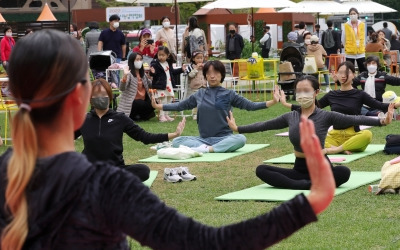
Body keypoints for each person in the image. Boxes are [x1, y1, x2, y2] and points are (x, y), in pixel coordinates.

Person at [0, 29, 338, 250]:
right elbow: (208, 243)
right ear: (79, 100)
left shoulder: (7, 169)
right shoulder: (103, 185)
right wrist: (313, 199)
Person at [227, 75, 394, 190]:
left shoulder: (326, 116)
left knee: (344, 172)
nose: (302, 94)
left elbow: (355, 119)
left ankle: (306, 184)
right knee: (261, 170)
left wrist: (381, 121)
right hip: (299, 170)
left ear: (315, 92)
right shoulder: (290, 116)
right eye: (299, 91)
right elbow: (264, 125)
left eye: (306, 91)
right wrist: (238, 129)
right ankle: (306, 185)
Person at [152, 60, 280, 153]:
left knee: (241, 138)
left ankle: (209, 150)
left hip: (225, 138)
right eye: (209, 73)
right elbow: (180, 105)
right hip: (203, 140)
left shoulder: (229, 94)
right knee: (177, 141)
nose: (212, 76)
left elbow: (250, 106)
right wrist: (159, 106)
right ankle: (208, 148)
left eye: (216, 73)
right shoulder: (200, 94)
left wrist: (272, 102)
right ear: (206, 76)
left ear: (222, 75)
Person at [76, 78, 184, 181]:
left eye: (104, 94)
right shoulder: (83, 119)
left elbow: (145, 137)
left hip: (115, 169)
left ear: (110, 97)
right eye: (97, 95)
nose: (101, 97)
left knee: (143, 171)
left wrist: (174, 134)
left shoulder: (120, 118)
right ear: (90, 98)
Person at [283, 61, 397, 155]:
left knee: (367, 135)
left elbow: (380, 105)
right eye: (340, 72)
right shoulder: (331, 95)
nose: (343, 75)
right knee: (314, 138)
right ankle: (342, 148)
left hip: (353, 135)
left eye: (346, 72)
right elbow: (311, 107)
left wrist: (394, 106)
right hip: (334, 136)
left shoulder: (359, 94)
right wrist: (286, 104)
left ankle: (337, 149)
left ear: (353, 74)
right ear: (336, 75)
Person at [150, 46, 185, 122]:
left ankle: (166, 115)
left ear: (167, 55)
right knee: (162, 101)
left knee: (168, 100)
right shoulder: (155, 63)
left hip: (168, 85)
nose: (161, 57)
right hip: (160, 86)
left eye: (163, 55)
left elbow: (172, 72)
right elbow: (154, 73)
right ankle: (161, 116)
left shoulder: (168, 63)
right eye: (159, 55)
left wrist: (181, 70)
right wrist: (152, 72)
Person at [117, 52, 155, 121]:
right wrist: (125, 76)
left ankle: (140, 116)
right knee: (139, 103)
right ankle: (136, 116)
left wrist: (152, 75)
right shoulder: (129, 74)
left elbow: (151, 85)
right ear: (132, 61)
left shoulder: (143, 74)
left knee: (155, 101)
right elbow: (122, 88)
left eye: (141, 59)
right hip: (132, 102)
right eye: (137, 59)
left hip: (143, 100)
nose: (139, 61)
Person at [342, 7, 366, 73]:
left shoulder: (362, 24)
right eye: (351, 14)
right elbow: (343, 38)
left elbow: (364, 37)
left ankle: (363, 82)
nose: (353, 15)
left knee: (363, 69)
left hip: (360, 51)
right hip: (350, 52)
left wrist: (363, 46)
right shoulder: (346, 25)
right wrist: (347, 46)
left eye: (354, 13)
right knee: (349, 70)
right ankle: (351, 82)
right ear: (349, 15)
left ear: (357, 14)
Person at [185, 50, 207, 120]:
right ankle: (195, 114)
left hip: (203, 86)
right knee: (196, 101)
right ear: (193, 59)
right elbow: (190, 75)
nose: (200, 60)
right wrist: (196, 69)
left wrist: (205, 69)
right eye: (198, 58)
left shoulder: (205, 66)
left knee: (204, 101)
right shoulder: (191, 66)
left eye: (201, 58)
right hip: (195, 87)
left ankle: (203, 113)